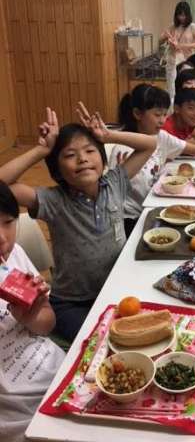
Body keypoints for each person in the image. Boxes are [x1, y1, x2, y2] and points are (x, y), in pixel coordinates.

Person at [0, 105, 157, 342]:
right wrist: (41, 150)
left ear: (102, 159)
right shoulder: (53, 201)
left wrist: (108, 135)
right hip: (71, 304)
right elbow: (2, 185)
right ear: (57, 170)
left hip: (116, 287)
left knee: (146, 328)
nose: (82, 159)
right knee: (104, 342)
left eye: (90, 150)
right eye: (70, 155)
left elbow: (150, 144)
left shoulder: (115, 183)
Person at [109, 84, 195, 236]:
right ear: (137, 113)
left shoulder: (160, 136)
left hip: (156, 205)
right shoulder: (122, 150)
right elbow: (114, 195)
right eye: (157, 115)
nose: (162, 121)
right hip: (133, 219)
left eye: (164, 114)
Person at [0, 181, 65, 442]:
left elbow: (47, 324)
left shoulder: (14, 254)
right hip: (19, 414)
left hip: (59, 372)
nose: (2, 238)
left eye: (8, 222)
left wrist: (33, 316)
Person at [160, 2, 195, 103]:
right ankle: (174, 108)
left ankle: (188, 106)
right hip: (174, 62)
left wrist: (181, 45)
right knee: (173, 88)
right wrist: (166, 37)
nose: (182, 17)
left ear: (188, 14)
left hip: (187, 62)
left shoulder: (193, 27)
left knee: (187, 86)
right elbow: (160, 41)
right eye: (179, 15)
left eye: (184, 15)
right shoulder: (173, 26)